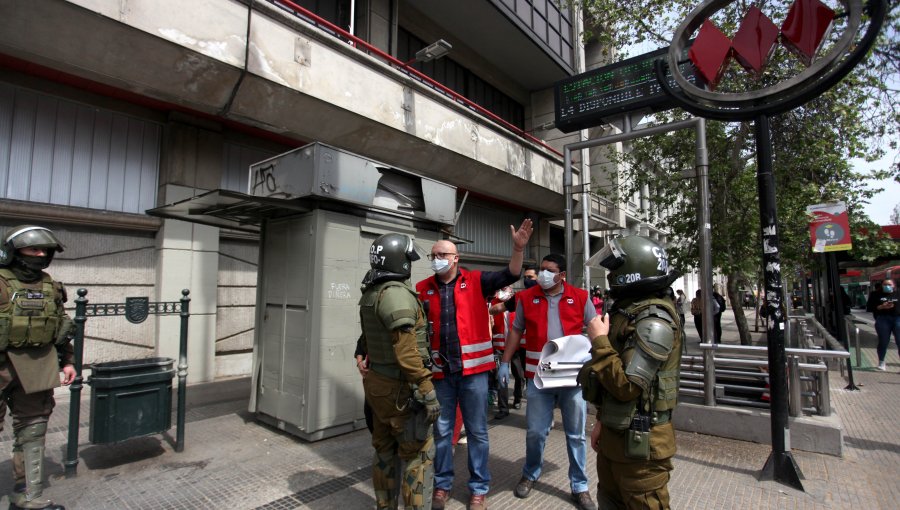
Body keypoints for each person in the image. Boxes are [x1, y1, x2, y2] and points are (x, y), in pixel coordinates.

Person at [417, 219, 533, 510]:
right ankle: (442, 486)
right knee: (443, 433)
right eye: (433, 255)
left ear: (456, 258)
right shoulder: (422, 288)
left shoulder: (477, 282)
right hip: (441, 374)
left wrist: (518, 248)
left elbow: (512, 273)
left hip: (474, 374)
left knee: (478, 432)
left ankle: (478, 489)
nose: (437, 259)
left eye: (442, 255)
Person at [579, 235, 682, 509]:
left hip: (641, 447)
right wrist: (602, 420)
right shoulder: (630, 312)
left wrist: (599, 340)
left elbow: (626, 386)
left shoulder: (653, 321)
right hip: (616, 437)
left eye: (615, 269)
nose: (611, 276)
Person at [498, 253, 597, 510]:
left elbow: (595, 329)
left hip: (572, 379)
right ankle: (530, 472)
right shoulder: (526, 298)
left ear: (561, 275)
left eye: (548, 270)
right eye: (541, 269)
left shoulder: (581, 297)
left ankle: (580, 486)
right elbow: (516, 330)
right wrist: (505, 362)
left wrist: (601, 361)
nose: (542, 274)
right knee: (535, 432)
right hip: (538, 380)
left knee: (576, 435)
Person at [358, 233, 440, 510]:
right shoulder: (396, 295)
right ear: (399, 260)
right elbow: (407, 352)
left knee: (384, 451)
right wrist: (427, 389)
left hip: (378, 387)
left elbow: (368, 338)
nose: (410, 263)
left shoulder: (372, 292)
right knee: (419, 456)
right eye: (408, 258)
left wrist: (361, 356)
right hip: (401, 390)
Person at [0, 225, 76, 510]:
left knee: (33, 429)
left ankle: (27, 494)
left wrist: (67, 362)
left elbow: (61, 327)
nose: (41, 255)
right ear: (13, 252)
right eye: (34, 249)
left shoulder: (50, 286)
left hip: (35, 366)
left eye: (45, 251)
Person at [866, 279, 900, 371]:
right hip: (883, 318)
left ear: (894, 285)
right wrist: (881, 306)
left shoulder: (898, 293)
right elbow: (869, 307)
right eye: (885, 284)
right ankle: (881, 361)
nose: (887, 286)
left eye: (889, 284)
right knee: (883, 341)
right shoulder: (875, 294)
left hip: (897, 318)